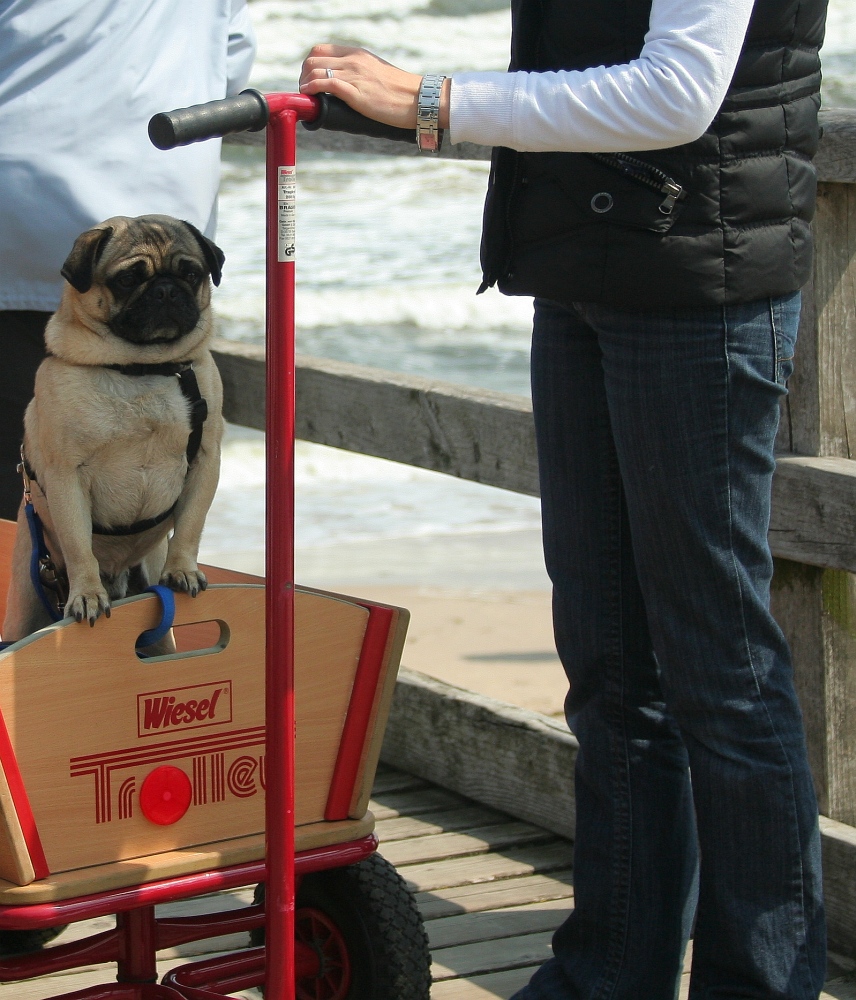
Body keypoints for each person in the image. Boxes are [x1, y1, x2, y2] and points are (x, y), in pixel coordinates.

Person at [299, 0, 829, 994]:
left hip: (698, 279)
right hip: (586, 260)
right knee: (607, 660)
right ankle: (605, 974)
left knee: (719, 666)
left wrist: (428, 97)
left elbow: (676, 90)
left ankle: (759, 982)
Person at [0, 0, 255, 954]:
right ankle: (127, 818)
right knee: (115, 579)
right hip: (164, 189)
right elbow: (232, 56)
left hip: (16, 243)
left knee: (25, 572)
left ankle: (32, 847)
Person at [0, 0, 256, 523]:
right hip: (171, 196)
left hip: (20, 214)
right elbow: (234, 65)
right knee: (156, 477)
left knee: (27, 480)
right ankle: (137, 594)